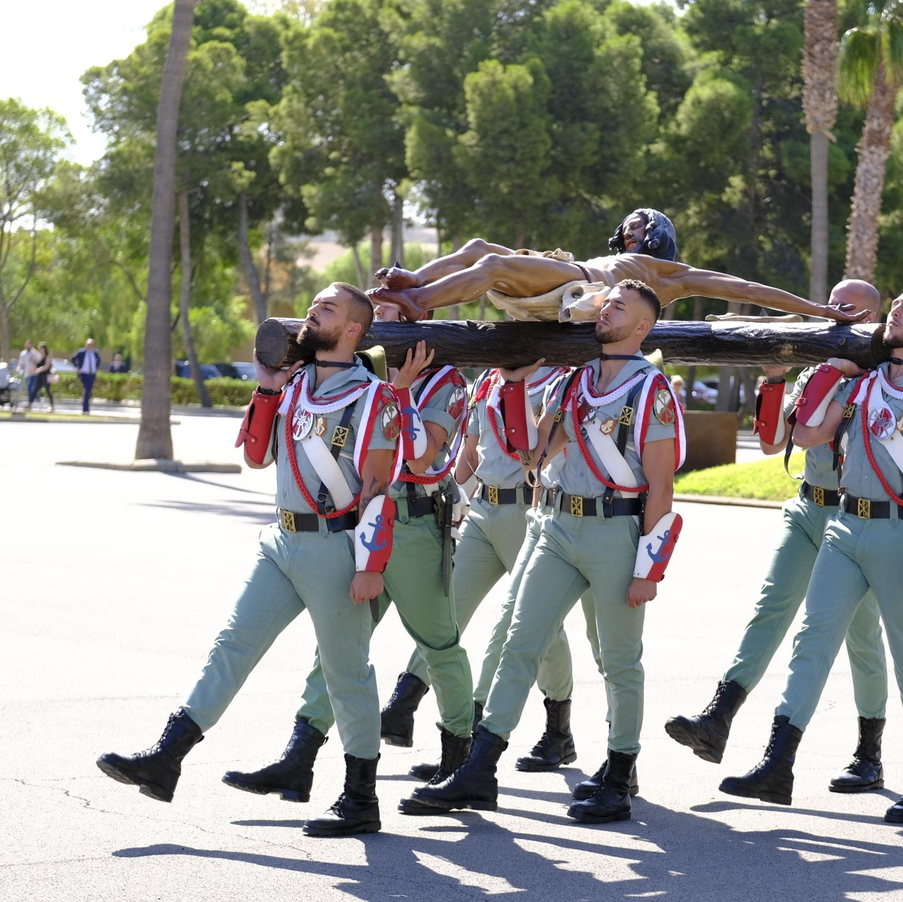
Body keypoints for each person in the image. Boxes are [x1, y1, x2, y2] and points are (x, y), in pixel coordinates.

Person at [96, 283, 411, 838]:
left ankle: (360, 799)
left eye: (327, 309)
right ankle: (167, 759)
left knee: (347, 676)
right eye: (313, 305)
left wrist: (371, 565)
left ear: (355, 330)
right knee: (232, 646)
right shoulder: (292, 389)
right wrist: (266, 389)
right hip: (282, 542)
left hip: (337, 549)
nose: (312, 312)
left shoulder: (374, 398)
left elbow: (379, 488)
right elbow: (257, 457)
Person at [402, 280, 686, 825]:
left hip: (616, 531)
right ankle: (480, 769)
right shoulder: (575, 381)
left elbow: (661, 484)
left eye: (620, 306)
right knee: (518, 641)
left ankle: (620, 774)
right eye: (606, 304)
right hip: (556, 524)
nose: (607, 310)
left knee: (621, 660)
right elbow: (534, 452)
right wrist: (519, 380)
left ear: (643, 326)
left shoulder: (652, 391)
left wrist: (649, 567)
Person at [718, 283, 903, 825]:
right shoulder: (864, 385)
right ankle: (776, 764)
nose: (898, 312)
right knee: (812, 642)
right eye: (896, 304)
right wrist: (792, 387)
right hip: (845, 526)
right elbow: (809, 436)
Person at [222, 304, 478, 831]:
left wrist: (399, 393)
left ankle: (460, 762)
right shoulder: (357, 371)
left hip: (412, 524)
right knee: (339, 652)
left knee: (438, 643)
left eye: (395, 313)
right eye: (377, 309)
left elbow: (420, 457)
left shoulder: (448, 383)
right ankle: (299, 758)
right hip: (355, 529)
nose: (383, 321)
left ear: (423, 322)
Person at [664, 280, 893, 797]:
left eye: (855, 311)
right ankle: (718, 717)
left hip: (858, 519)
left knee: (861, 640)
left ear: (877, 322)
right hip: (810, 507)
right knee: (771, 609)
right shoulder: (815, 371)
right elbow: (771, 443)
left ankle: (869, 753)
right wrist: (772, 379)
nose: (840, 318)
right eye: (835, 308)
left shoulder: (883, 379)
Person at [389, 359, 584, 782]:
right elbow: (471, 451)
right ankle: (404, 705)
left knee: (530, 624)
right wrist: (452, 495)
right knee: (446, 608)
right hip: (482, 509)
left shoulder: (558, 379)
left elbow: (536, 450)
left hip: (526, 508)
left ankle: (557, 729)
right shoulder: (488, 380)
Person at [369, 209, 860, 324]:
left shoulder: (669, 275)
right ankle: (417, 280)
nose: (630, 233)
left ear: (658, 236)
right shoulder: (617, 254)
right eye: (626, 228)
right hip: (566, 279)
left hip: (579, 294)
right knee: (480, 245)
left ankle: (416, 302)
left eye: (639, 228)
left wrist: (820, 310)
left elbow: (747, 287)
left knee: (495, 261)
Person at [71, 339, 102, 415]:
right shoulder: (82, 352)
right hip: (84, 373)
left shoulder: (95, 353)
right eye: (88, 345)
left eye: (91, 345)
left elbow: (99, 360)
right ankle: (85, 409)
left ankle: (86, 408)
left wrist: (96, 368)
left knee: (89, 391)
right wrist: (78, 367)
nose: (89, 346)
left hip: (92, 374)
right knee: (86, 390)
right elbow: (73, 358)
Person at [15, 340, 35, 409]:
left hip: (33, 373)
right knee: (29, 388)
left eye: (30, 344)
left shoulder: (34, 353)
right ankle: (35, 398)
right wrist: (18, 368)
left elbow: (39, 361)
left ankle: (30, 403)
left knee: (30, 388)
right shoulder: (23, 353)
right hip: (27, 373)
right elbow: (21, 363)